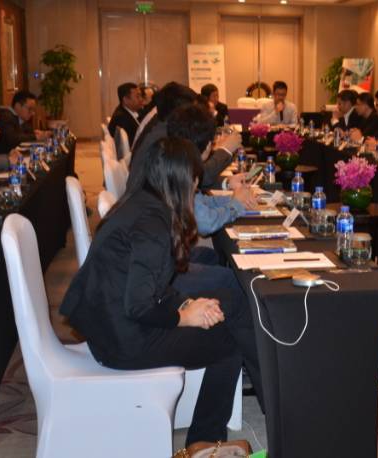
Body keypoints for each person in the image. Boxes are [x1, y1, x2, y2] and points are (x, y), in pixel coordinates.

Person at [60, 137, 260, 452]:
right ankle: (206, 441)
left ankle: (209, 435)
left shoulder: (141, 202)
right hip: (123, 339)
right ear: (182, 180)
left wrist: (188, 304)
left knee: (220, 315)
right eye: (194, 181)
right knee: (229, 340)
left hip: (108, 325)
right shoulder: (153, 224)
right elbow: (139, 305)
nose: (196, 188)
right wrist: (183, 316)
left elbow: (147, 286)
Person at [165, 104, 243, 192]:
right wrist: (226, 149)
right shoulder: (180, 169)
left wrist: (227, 183)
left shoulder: (172, 159)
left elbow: (199, 183)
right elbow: (203, 178)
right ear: (208, 145)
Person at [129, 82, 200, 173]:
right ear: (178, 111)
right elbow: (183, 174)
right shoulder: (164, 138)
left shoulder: (161, 124)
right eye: (191, 111)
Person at [0, 90, 48, 157]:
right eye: (30, 109)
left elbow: (27, 132)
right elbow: (12, 139)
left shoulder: (19, 118)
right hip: (1, 158)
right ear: (18, 106)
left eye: (33, 110)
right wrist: (35, 136)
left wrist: (36, 133)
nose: (33, 113)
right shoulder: (5, 116)